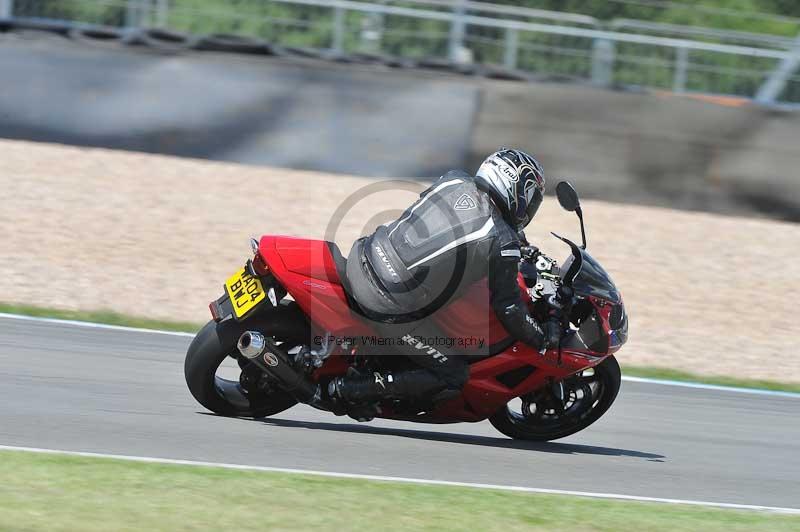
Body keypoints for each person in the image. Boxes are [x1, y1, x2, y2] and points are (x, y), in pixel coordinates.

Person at [329, 148, 561, 412]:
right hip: (388, 302)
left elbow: (456, 222)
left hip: (366, 254)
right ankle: (351, 391)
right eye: (531, 197)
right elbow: (508, 307)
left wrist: (519, 246)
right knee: (454, 374)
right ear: (517, 189)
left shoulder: (454, 180)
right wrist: (541, 339)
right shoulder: (502, 241)